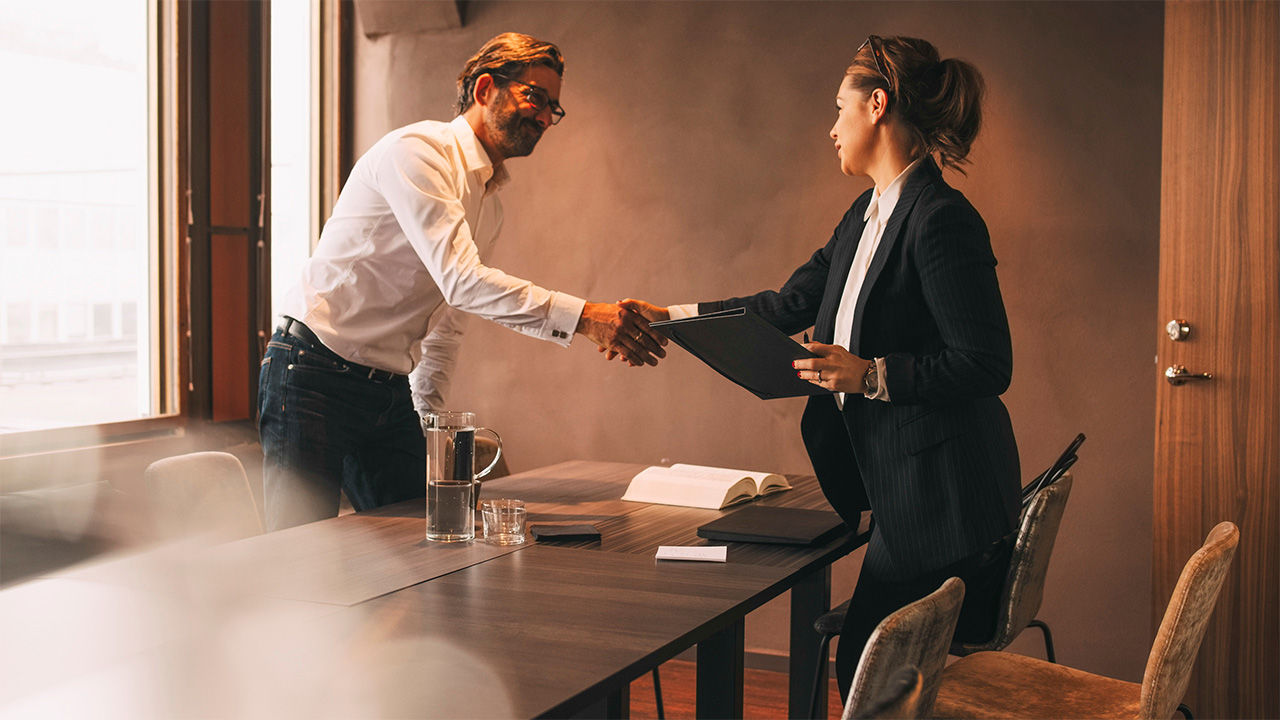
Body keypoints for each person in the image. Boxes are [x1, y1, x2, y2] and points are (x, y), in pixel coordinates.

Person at [622, 35, 1020, 697]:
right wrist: (668, 316)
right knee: (865, 669)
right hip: (899, 490)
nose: (830, 127)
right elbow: (786, 304)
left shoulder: (941, 218)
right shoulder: (863, 214)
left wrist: (869, 375)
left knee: (866, 671)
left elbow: (985, 364)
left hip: (944, 500)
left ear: (877, 105)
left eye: (840, 108)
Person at [259, 32, 666, 532]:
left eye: (553, 108)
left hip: (386, 390)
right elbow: (463, 283)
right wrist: (585, 317)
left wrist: (428, 422)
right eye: (535, 96)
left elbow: (447, 322)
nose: (543, 117)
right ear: (485, 89)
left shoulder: (488, 203)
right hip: (312, 373)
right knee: (298, 558)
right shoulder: (420, 153)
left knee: (421, 545)